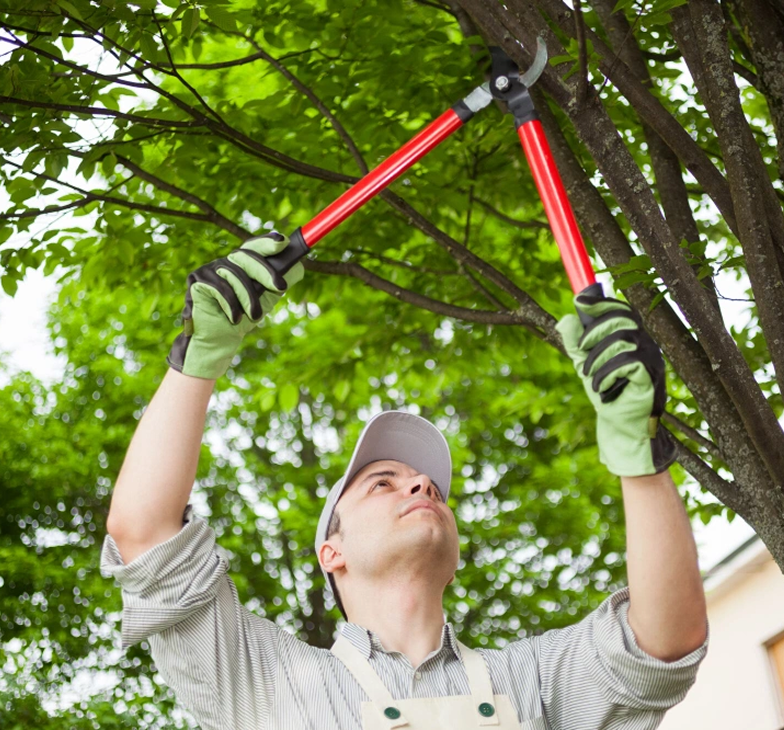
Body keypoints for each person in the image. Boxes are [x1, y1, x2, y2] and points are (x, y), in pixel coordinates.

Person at [101, 232, 709, 730]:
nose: (420, 486)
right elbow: (145, 534)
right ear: (329, 551)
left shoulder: (533, 681)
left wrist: (640, 454)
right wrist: (198, 358)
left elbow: (665, 642)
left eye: (432, 489)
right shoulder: (265, 681)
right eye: (383, 483)